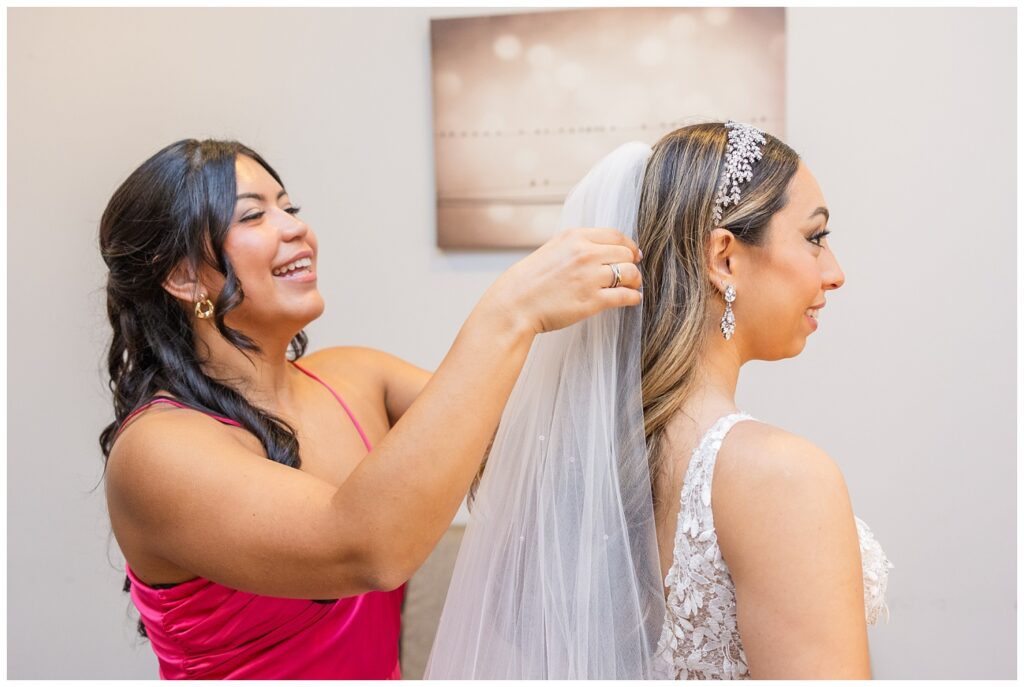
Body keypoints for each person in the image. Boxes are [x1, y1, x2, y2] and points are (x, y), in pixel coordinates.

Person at [98, 138, 643, 679]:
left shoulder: (357, 375)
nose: (294, 228)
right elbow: (367, 550)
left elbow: (536, 436)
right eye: (253, 216)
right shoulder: (155, 451)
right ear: (184, 277)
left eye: (290, 208)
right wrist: (509, 313)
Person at [425, 122, 893, 680]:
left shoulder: (587, 461)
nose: (834, 273)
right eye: (814, 238)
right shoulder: (782, 477)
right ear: (724, 257)